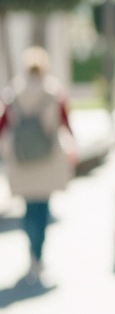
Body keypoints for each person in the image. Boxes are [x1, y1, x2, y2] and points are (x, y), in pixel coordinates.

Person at [0, 46, 75, 286]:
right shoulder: (54, 91)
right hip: (47, 159)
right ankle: (38, 254)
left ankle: (31, 254)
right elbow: (65, 122)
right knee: (42, 209)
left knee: (28, 208)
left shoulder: (13, 91)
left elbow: (3, 125)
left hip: (22, 159)